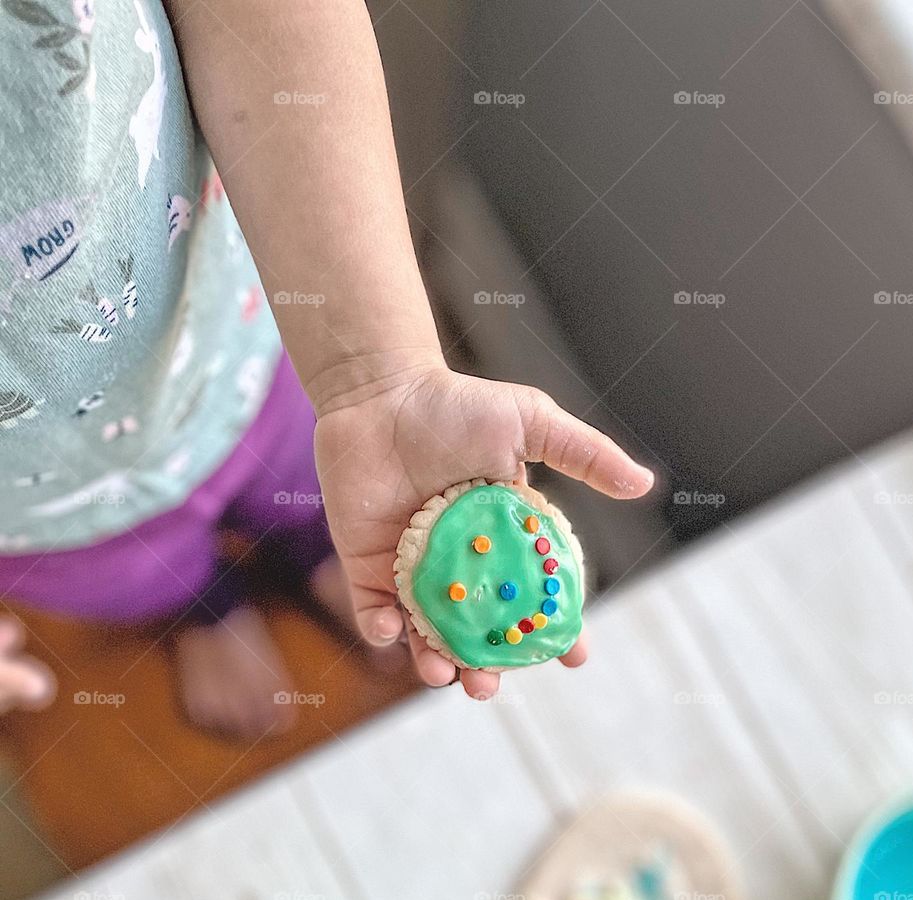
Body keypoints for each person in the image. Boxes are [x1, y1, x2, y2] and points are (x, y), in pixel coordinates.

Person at [0, 0, 653, 736]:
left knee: (305, 480)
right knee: (129, 577)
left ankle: (315, 542)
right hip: (39, 521)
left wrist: (376, 376)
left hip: (227, 347)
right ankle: (197, 603)